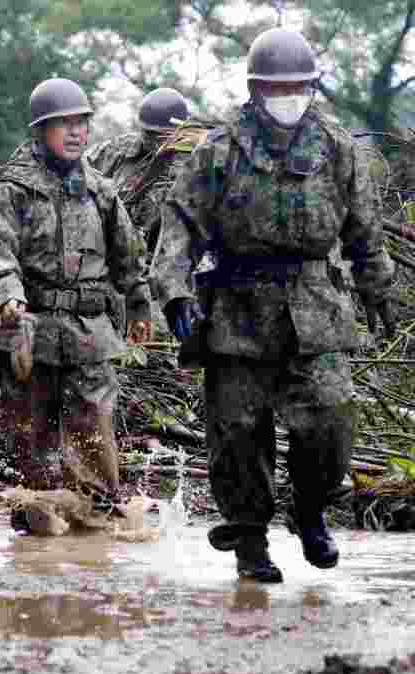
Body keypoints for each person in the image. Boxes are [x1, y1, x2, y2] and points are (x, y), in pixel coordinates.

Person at [150, 28, 396, 583]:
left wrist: (379, 293)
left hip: (316, 307)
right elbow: (179, 227)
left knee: (330, 423)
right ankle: (250, 540)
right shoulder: (218, 150)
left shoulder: (337, 148)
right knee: (237, 433)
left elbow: (364, 232)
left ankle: (309, 512)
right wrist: (175, 291)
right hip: (237, 309)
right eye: (276, 88)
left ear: (312, 87)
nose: (288, 96)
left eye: (298, 87)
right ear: (256, 89)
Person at [0, 78, 151, 498]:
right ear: (40, 131)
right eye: (64, 124)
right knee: (28, 440)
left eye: (82, 123)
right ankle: (37, 522)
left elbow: (127, 255)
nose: (76, 133)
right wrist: (8, 293)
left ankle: (96, 527)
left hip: (88, 331)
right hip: (27, 330)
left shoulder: (101, 191)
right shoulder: (13, 189)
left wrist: (140, 306)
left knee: (92, 432)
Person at [86, 87, 195, 251]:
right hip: (110, 248)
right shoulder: (118, 149)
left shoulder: (193, 163)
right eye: (149, 133)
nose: (154, 141)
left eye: (162, 135)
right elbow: (80, 170)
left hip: (165, 257)